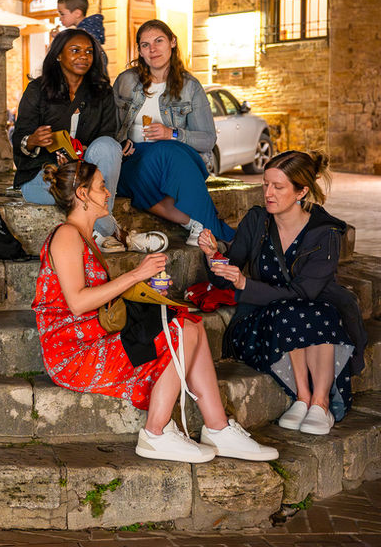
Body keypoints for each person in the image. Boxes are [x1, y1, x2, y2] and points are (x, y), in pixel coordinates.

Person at [33, 158, 277, 463]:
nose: (108, 192)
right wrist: (135, 275)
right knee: (182, 330)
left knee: (193, 325)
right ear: (82, 194)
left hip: (93, 335)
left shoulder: (84, 237)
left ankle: (218, 428)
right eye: (101, 186)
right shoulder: (67, 234)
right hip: (73, 351)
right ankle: (156, 433)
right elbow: (78, 302)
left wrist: (146, 289)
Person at [198, 151, 366, 434]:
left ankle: (320, 403)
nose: (268, 193)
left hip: (312, 315)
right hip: (262, 322)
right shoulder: (256, 221)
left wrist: (245, 285)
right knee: (292, 312)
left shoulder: (326, 233)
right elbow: (229, 277)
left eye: (278, 187)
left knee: (312, 311)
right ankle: (303, 397)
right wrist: (213, 255)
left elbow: (303, 292)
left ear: (301, 191)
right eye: (265, 184)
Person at [13, 28, 149, 253]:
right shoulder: (37, 89)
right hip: (43, 176)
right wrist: (34, 140)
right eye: (75, 50)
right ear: (58, 55)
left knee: (108, 146)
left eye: (88, 52)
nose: (83, 56)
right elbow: (20, 140)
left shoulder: (101, 92)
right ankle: (113, 233)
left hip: (86, 171)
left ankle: (100, 234)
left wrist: (84, 151)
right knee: (80, 188)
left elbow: (107, 135)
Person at [113, 19, 234, 246]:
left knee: (167, 151)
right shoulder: (126, 82)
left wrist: (172, 134)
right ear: (139, 51)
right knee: (142, 167)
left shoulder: (190, 86)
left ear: (172, 42)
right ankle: (204, 227)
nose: (153, 49)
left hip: (176, 164)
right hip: (133, 160)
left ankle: (205, 228)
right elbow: (109, 125)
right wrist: (120, 143)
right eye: (145, 45)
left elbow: (208, 139)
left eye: (159, 41)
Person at [56, 0, 107, 68]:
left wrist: (59, 40)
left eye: (62, 14)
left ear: (77, 13)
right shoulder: (90, 30)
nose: (60, 18)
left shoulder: (83, 34)